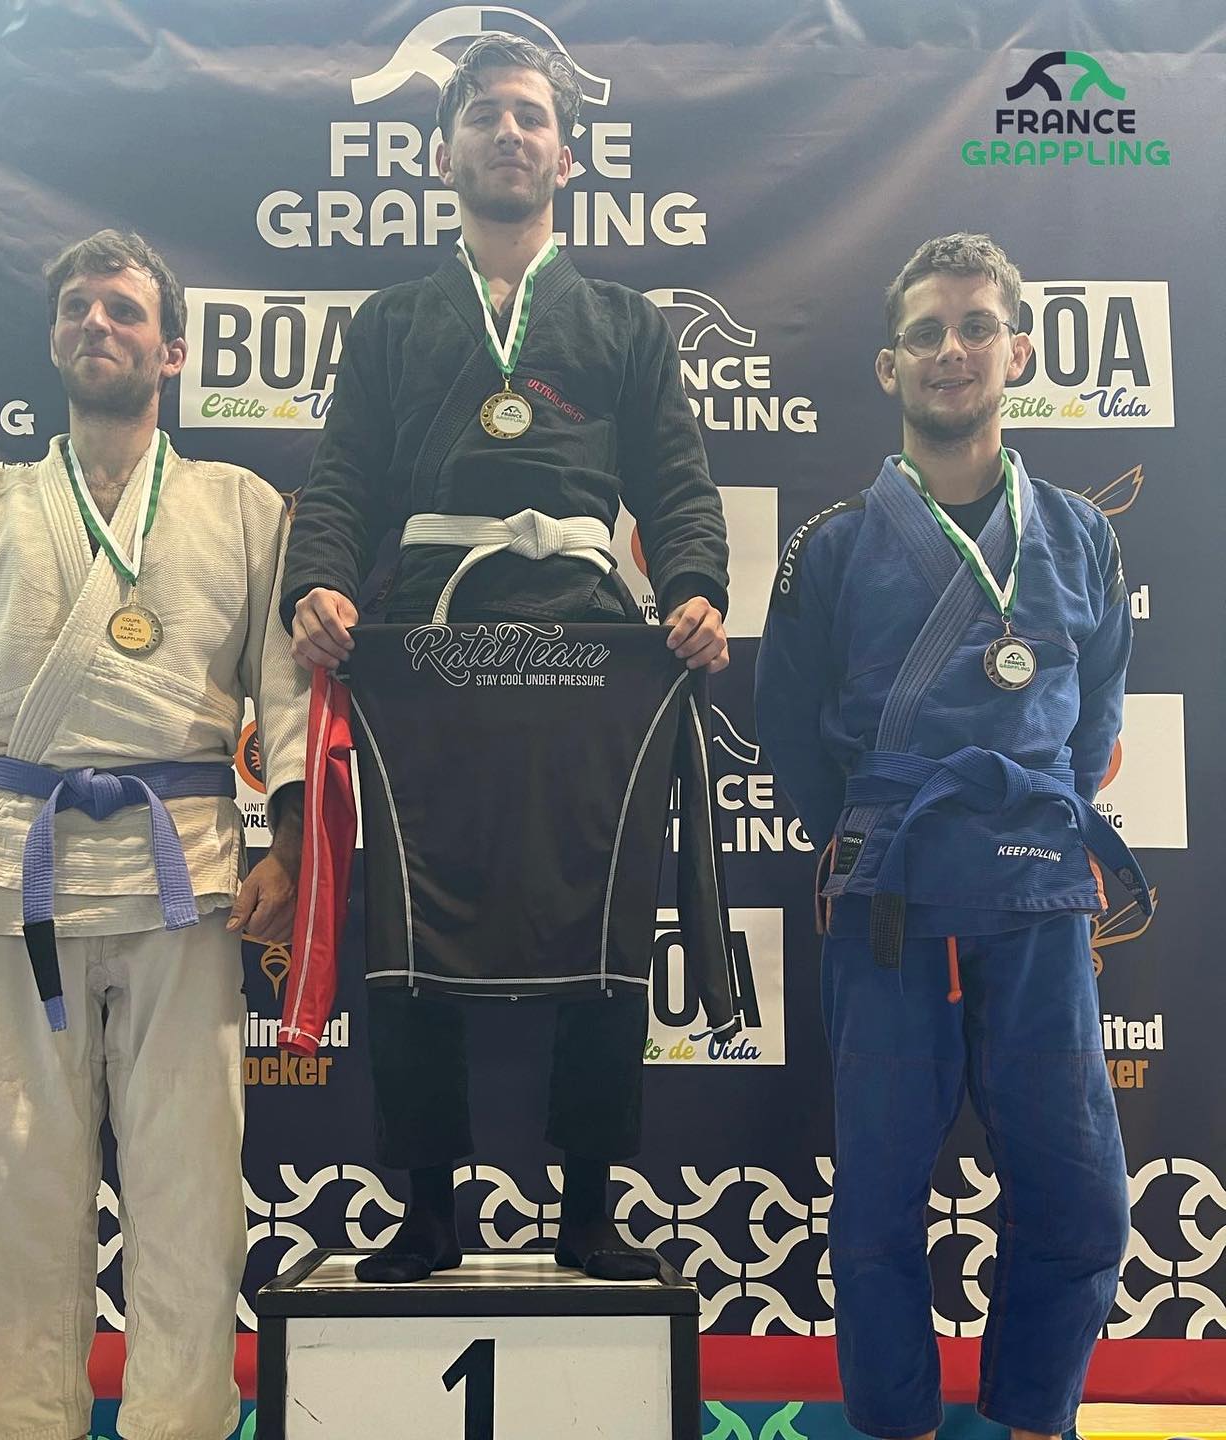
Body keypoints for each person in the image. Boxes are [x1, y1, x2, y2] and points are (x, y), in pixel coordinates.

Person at [0, 229, 308, 1440]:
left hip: (185, 880)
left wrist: (290, 849)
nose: (98, 325)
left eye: (124, 310)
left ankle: (178, 1426)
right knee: (7, 1194)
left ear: (172, 351)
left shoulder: (242, 508)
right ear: (53, 338)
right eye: (78, 309)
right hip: (14, 881)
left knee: (192, 1192)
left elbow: (289, 693)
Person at [281, 34, 732, 1285]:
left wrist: (694, 589)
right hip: (428, 647)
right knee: (409, 931)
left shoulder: (625, 324)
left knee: (605, 920)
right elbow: (341, 484)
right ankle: (429, 1209)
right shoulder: (390, 325)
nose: (509, 133)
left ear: (567, 155)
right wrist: (316, 584)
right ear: (444, 154)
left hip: (589, 640)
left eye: (531, 116)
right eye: (485, 115)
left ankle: (587, 1208)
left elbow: (678, 488)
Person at [755, 233, 1150, 1440]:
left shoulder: (1080, 534)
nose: (951, 350)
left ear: (1017, 351)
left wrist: (1042, 820)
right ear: (889, 365)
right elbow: (788, 728)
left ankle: (1035, 1419)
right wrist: (866, 836)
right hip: (892, 899)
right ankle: (901, 1426)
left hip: (1037, 896)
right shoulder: (831, 543)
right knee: (878, 1203)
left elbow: (1095, 719)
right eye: (925, 332)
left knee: (1082, 1197)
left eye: (977, 326)